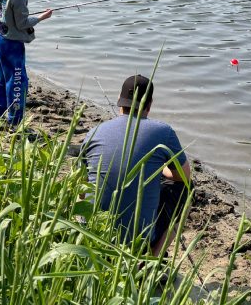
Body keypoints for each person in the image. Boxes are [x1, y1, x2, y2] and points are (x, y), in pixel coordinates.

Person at [80, 75, 192, 256]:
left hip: (94, 231)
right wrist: (161, 168)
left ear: (119, 99)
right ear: (150, 104)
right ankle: (151, 259)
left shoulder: (93, 132)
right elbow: (183, 176)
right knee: (187, 190)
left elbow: (82, 189)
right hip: (137, 240)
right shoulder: (163, 132)